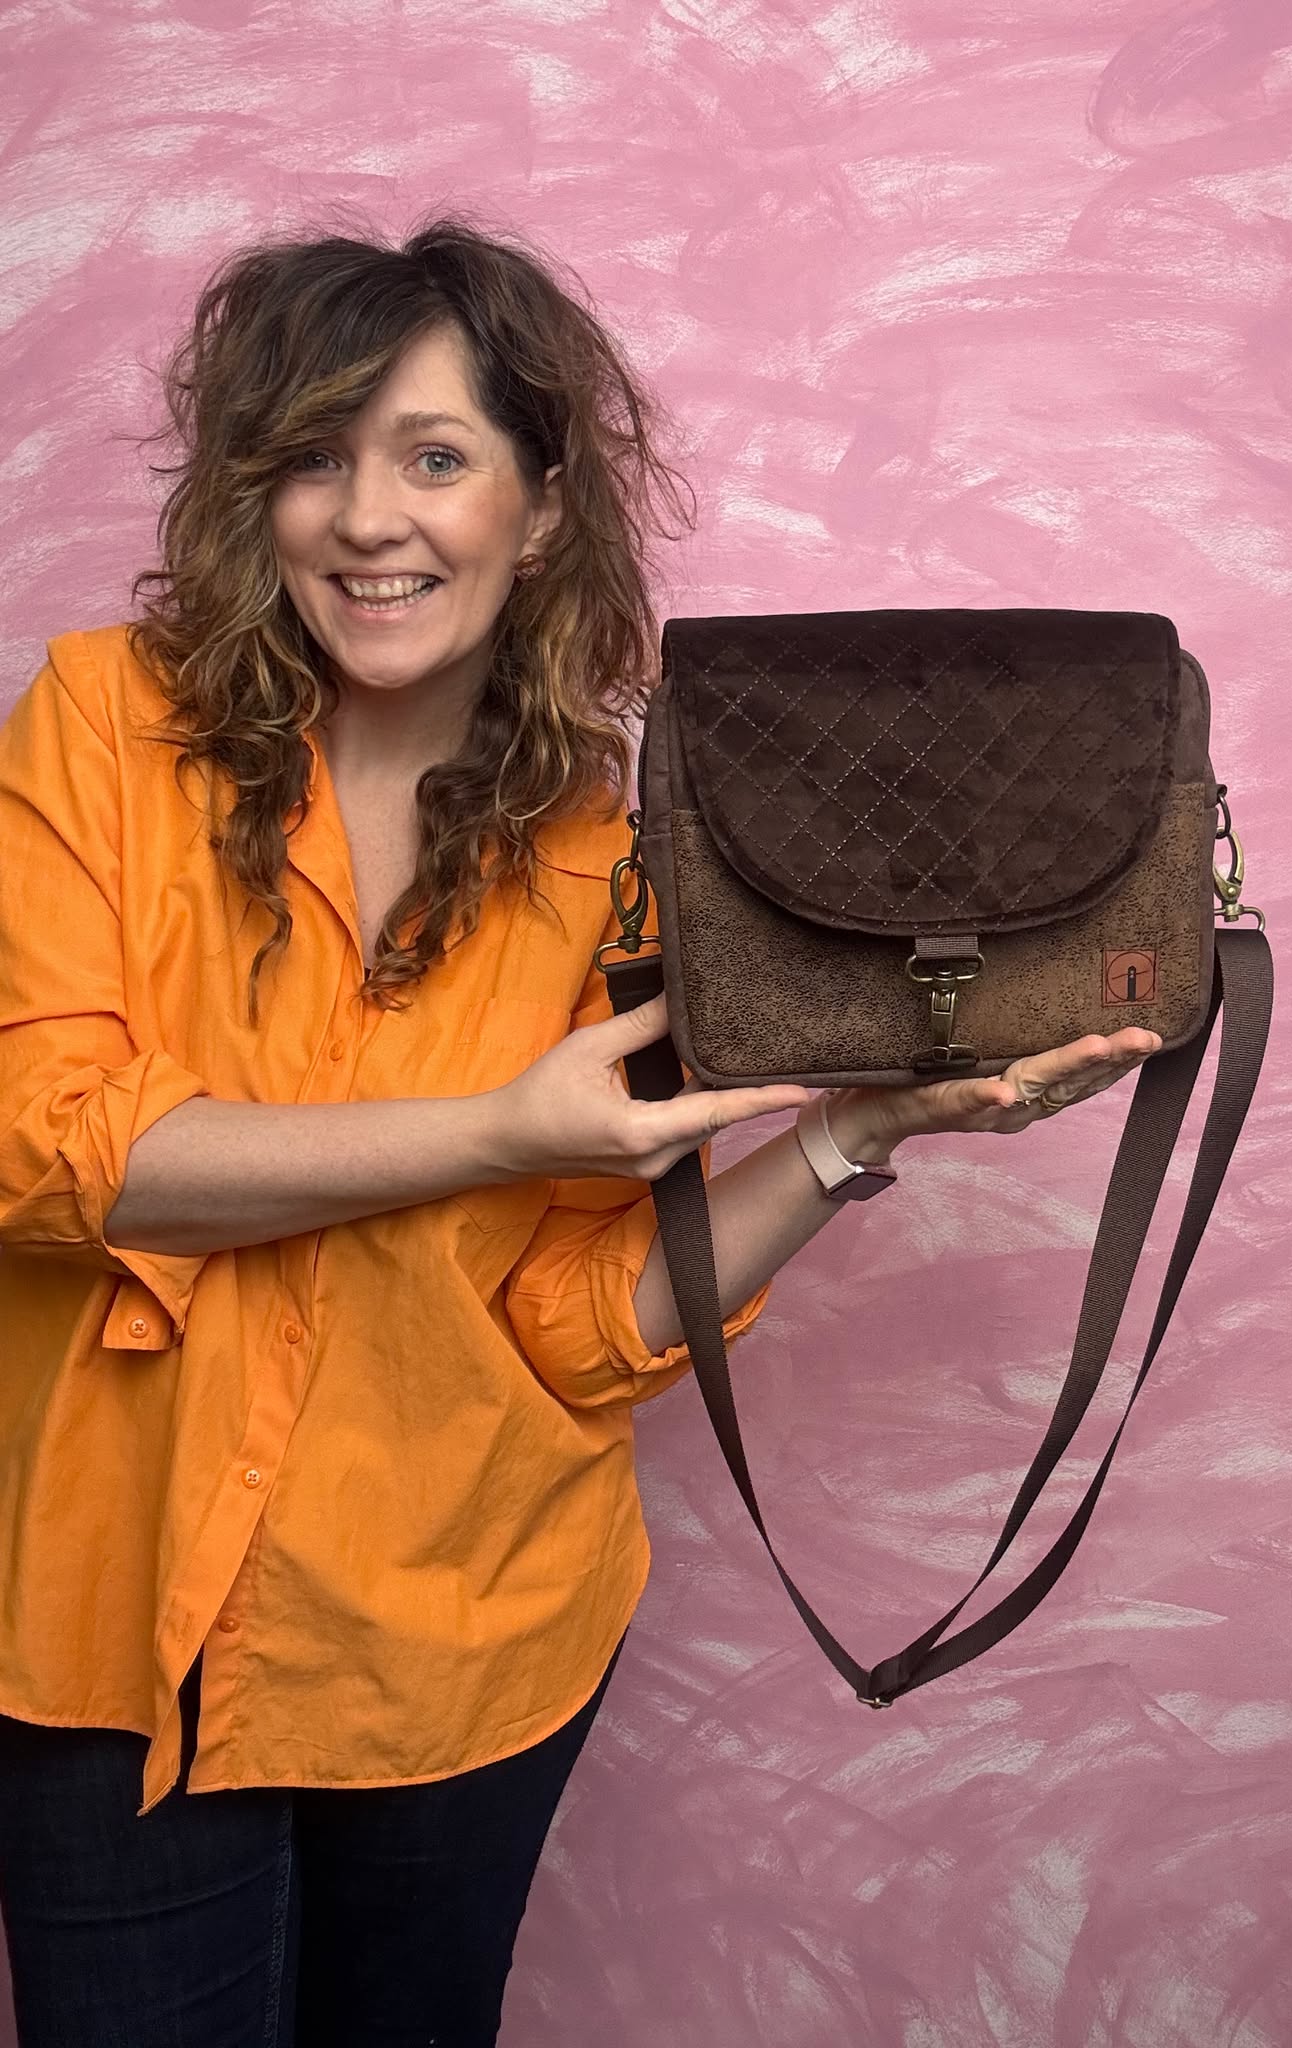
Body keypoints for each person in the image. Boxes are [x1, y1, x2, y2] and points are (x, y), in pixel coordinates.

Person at [0, 218, 1158, 2048]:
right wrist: (489, 1132)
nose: (367, 520)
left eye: (433, 457)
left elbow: (573, 1325)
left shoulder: (612, 851)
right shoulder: (100, 723)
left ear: (540, 508)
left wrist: (854, 1134)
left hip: (470, 1637)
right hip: (107, 1636)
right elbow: (46, 1152)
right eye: (314, 459)